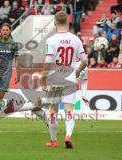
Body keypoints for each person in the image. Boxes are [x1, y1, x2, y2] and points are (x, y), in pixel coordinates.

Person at [41, 11, 87, 148]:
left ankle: (54, 141)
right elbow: (85, 60)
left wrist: (43, 78)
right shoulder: (76, 39)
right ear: (68, 22)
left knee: (53, 110)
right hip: (70, 78)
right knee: (69, 109)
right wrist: (77, 71)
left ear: (55, 23)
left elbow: (48, 61)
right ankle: (68, 136)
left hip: (55, 78)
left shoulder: (51, 40)